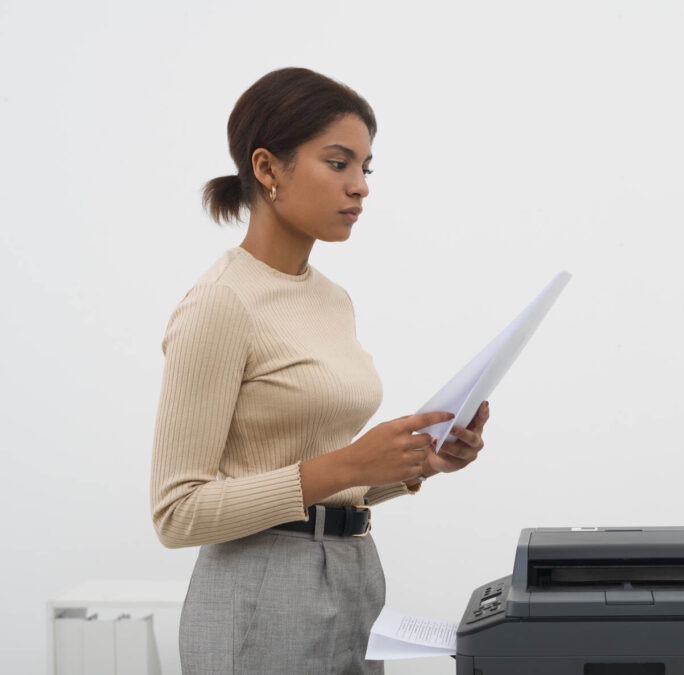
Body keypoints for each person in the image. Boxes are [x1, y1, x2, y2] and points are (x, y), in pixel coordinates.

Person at [150, 66, 490, 674]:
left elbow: (328, 477)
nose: (360, 187)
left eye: (366, 167)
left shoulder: (331, 300)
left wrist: (418, 464)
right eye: (338, 164)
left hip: (355, 578)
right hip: (258, 595)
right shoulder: (221, 303)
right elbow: (178, 513)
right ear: (267, 169)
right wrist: (349, 464)